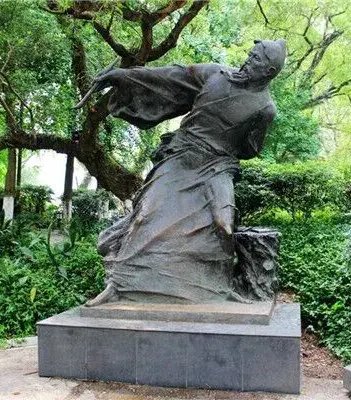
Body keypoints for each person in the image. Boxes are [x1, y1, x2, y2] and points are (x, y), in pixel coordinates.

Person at [85, 39, 287, 306]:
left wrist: (225, 142)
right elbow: (170, 76)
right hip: (181, 156)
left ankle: (220, 287)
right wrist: (122, 76)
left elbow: (250, 149)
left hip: (216, 166)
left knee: (224, 225)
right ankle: (118, 285)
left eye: (256, 58)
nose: (249, 60)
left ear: (269, 71)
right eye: (251, 54)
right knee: (146, 214)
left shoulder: (265, 108)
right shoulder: (215, 74)